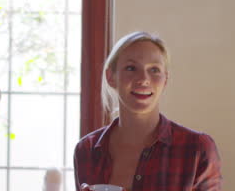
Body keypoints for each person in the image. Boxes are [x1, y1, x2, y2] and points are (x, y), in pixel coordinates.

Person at [74, 31, 222, 191]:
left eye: (154, 70)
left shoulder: (198, 149)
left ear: (165, 79)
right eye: (131, 68)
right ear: (111, 77)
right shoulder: (86, 150)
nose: (143, 79)